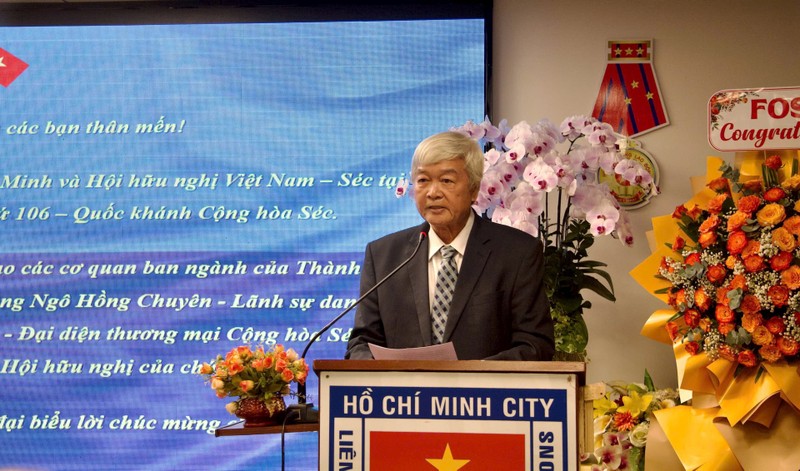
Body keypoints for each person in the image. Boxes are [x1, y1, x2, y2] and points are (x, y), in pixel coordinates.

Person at [345, 131, 554, 361]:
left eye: (446, 180)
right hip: (403, 396)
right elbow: (361, 344)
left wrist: (469, 379)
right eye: (423, 180)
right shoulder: (384, 256)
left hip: (483, 395)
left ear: (474, 189)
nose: (433, 193)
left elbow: (535, 345)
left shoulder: (517, 253)